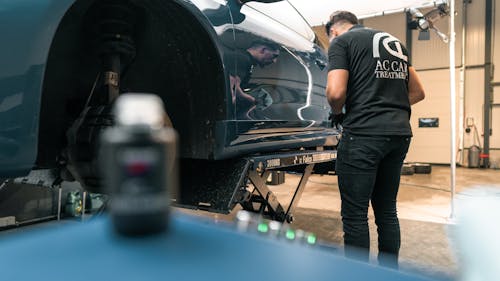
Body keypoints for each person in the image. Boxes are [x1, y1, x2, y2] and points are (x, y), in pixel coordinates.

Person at [325, 11, 425, 268]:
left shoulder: (341, 42)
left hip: (363, 136)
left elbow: (336, 92)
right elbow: (417, 92)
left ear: (333, 30)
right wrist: (388, 108)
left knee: (355, 215)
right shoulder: (395, 43)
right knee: (387, 210)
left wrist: (339, 113)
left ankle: (358, 275)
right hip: (399, 135)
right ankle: (388, 272)